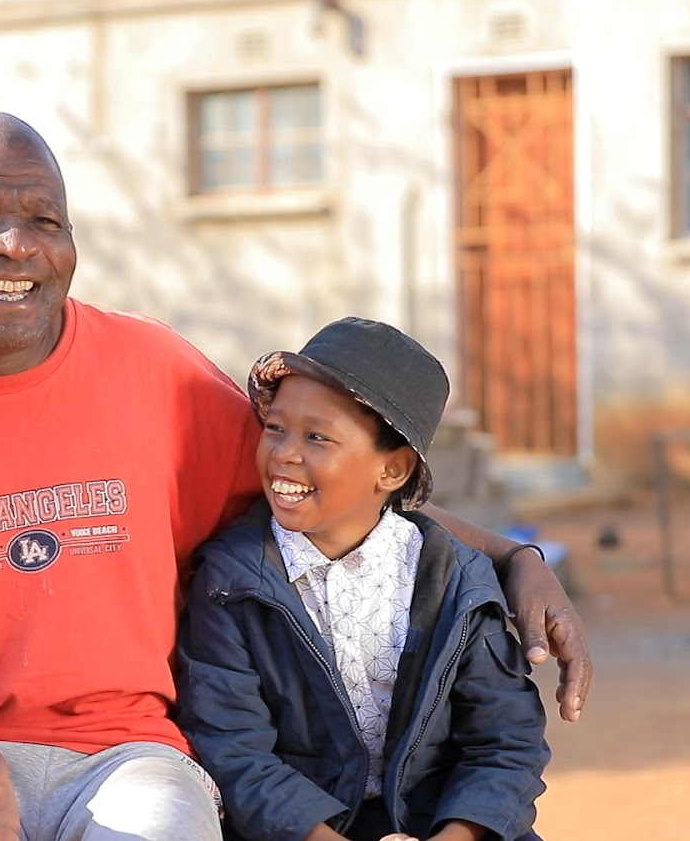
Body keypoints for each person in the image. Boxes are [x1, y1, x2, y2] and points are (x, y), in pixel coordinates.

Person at [0, 111, 590, 841]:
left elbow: (323, 499)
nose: (16, 244)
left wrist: (516, 560)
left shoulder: (155, 372)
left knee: (161, 821)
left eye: (46, 218)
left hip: (125, 753)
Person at [176, 317, 549, 841]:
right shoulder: (231, 578)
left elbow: (505, 740)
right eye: (275, 428)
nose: (283, 452)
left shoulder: (456, 581)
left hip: (442, 824)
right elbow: (232, 747)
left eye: (317, 437)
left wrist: (456, 835)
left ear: (392, 471)